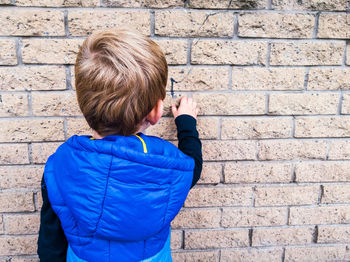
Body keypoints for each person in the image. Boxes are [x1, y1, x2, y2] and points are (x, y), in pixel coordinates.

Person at [37, 29, 202, 262]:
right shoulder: (170, 165)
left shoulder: (60, 165)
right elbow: (192, 166)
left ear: (83, 104)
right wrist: (186, 122)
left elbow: (50, 243)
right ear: (155, 113)